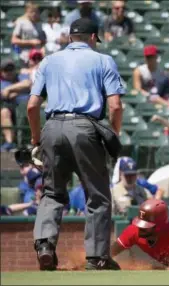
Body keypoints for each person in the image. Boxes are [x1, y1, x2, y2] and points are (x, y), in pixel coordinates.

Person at [28, 18, 124, 271]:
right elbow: (115, 105)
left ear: (70, 37)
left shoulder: (49, 60)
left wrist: (36, 137)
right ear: (93, 37)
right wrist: (113, 134)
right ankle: (96, 257)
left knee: (52, 193)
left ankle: (45, 245)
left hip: (51, 127)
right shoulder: (103, 60)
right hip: (85, 128)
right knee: (98, 196)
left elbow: (32, 105)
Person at [0, 60, 31, 152]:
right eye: (6, 70)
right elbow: (5, 95)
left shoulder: (22, 76)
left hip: (27, 107)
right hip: (11, 108)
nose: (9, 71)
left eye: (11, 69)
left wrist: (9, 89)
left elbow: (28, 83)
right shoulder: (1, 82)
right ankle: (10, 143)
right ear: (1, 71)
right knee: (4, 112)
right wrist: (22, 90)